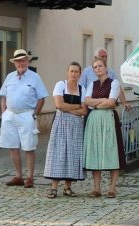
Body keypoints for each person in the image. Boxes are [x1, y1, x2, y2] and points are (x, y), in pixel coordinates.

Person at [0, 50, 48, 188]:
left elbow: (41, 98)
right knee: (12, 146)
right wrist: (4, 113)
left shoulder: (35, 77)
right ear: (14, 63)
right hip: (10, 114)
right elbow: (3, 96)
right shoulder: (9, 77)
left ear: (28, 61)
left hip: (26, 114)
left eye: (23, 60)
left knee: (29, 146)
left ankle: (30, 177)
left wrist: (35, 114)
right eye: (18, 61)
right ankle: (18, 176)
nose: (21, 63)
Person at [44, 62, 88, 198]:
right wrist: (76, 107)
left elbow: (84, 110)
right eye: (71, 71)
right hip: (61, 123)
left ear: (80, 74)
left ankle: (68, 188)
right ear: (67, 72)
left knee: (73, 154)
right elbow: (59, 105)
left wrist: (67, 108)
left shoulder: (82, 89)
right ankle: (54, 188)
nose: (74, 74)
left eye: (76, 72)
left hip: (76, 125)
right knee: (59, 152)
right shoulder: (60, 85)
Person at [83, 59, 122, 198]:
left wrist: (96, 104)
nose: (97, 68)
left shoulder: (114, 82)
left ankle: (112, 189)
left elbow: (112, 102)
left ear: (106, 68)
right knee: (95, 151)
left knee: (111, 151)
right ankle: (97, 188)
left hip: (108, 119)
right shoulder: (91, 84)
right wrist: (102, 100)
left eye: (100, 66)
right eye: (95, 67)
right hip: (94, 120)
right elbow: (87, 101)